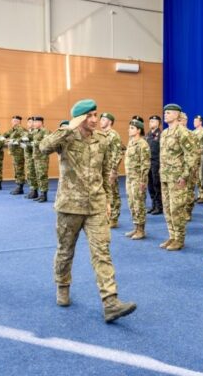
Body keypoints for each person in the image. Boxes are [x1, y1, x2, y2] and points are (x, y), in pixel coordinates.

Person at [39, 99, 136, 323]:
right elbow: (43, 147)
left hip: (96, 205)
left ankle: (110, 302)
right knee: (65, 251)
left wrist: (108, 199)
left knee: (102, 252)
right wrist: (68, 128)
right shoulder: (66, 137)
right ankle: (62, 286)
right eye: (89, 116)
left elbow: (105, 172)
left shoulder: (102, 139)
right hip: (69, 206)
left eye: (96, 115)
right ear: (79, 118)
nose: (94, 120)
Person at [159, 103, 198, 251]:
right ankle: (172, 236)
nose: (166, 115)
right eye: (165, 112)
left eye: (169, 113)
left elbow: (191, 155)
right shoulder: (165, 133)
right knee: (167, 209)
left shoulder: (183, 132)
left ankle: (179, 239)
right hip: (165, 176)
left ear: (177, 115)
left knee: (177, 209)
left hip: (178, 178)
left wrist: (185, 175)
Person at [124, 118, 151, 240]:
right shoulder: (131, 142)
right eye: (129, 127)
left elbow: (145, 164)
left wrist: (143, 181)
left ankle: (141, 230)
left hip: (138, 179)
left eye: (132, 128)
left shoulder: (143, 144)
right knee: (131, 203)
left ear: (138, 130)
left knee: (139, 203)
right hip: (129, 178)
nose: (129, 130)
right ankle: (135, 227)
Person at [101, 112, 124, 227]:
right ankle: (106, 216)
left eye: (104, 119)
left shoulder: (114, 135)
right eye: (101, 119)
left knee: (113, 194)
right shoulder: (100, 135)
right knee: (103, 194)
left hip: (110, 170)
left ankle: (114, 219)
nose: (101, 121)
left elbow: (118, 154)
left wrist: (114, 171)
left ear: (110, 122)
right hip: (101, 170)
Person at [179, 112, 200, 220]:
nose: (178, 122)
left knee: (189, 191)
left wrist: (191, 168)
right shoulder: (174, 134)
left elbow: (195, 153)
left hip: (190, 167)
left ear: (185, 121)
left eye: (180, 120)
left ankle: (187, 211)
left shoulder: (190, 134)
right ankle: (180, 210)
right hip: (178, 168)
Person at [2, 115, 26, 195]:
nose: (12, 122)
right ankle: (18, 185)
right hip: (14, 153)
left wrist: (14, 140)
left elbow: (26, 137)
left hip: (19, 152)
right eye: (12, 121)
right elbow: (3, 136)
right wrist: (5, 140)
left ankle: (20, 187)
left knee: (19, 170)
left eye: (15, 121)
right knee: (16, 169)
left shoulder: (20, 129)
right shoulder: (12, 130)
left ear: (18, 122)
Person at [146, 115, 163, 215]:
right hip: (148, 162)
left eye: (153, 121)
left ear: (158, 123)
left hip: (157, 163)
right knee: (150, 185)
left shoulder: (161, 135)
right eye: (150, 121)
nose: (150, 123)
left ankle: (159, 206)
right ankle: (153, 205)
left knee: (157, 185)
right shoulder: (148, 134)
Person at [31, 116, 50, 203]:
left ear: (40, 122)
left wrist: (35, 143)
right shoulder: (35, 131)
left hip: (42, 157)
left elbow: (46, 142)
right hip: (36, 156)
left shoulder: (45, 131)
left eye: (35, 122)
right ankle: (40, 193)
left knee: (42, 175)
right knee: (38, 175)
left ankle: (44, 194)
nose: (34, 124)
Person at [193, 115, 203, 204]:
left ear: (201, 122)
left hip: (202, 156)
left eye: (196, 121)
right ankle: (199, 194)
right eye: (194, 121)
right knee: (196, 177)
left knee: (201, 176)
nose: (194, 123)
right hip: (195, 157)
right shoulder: (193, 132)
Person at [21, 117, 38, 199]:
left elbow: (36, 144)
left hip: (33, 156)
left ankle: (34, 191)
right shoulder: (26, 132)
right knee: (29, 174)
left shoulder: (36, 132)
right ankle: (32, 190)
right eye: (28, 122)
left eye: (32, 122)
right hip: (27, 156)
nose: (30, 124)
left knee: (33, 173)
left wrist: (27, 145)